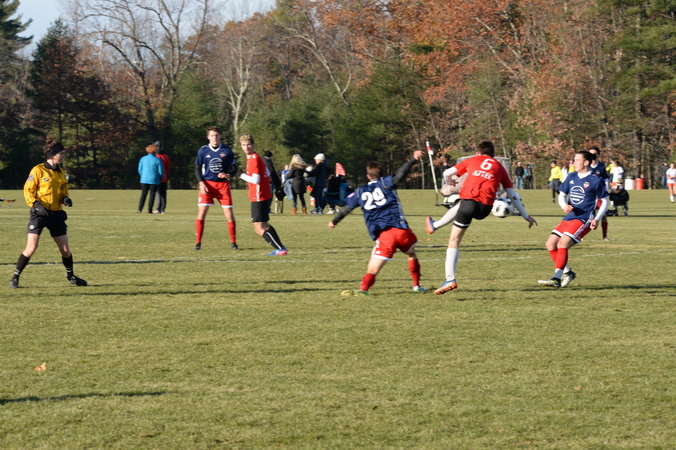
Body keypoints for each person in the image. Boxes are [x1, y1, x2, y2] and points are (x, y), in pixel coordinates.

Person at [431, 141, 537, 295]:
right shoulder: (499, 166)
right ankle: (435, 225)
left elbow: (447, 173)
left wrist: (450, 182)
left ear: (478, 153)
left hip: (469, 203)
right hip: (485, 208)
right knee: (460, 205)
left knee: (454, 240)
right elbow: (512, 194)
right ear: (493, 154)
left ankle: (450, 279)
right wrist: (526, 216)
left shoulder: (473, 160)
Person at [328, 150, 426, 295]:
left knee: (373, 269)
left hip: (384, 234)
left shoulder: (360, 191)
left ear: (368, 176)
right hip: (401, 230)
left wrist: (334, 220)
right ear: (383, 174)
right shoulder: (386, 183)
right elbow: (400, 174)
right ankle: (416, 285)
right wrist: (413, 159)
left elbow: (347, 208)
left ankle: (364, 289)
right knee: (411, 254)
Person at [9, 138, 87, 288]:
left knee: (65, 250)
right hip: (39, 214)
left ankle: (71, 276)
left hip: (56, 215)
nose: (63, 156)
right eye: (61, 153)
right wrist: (36, 204)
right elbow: (28, 190)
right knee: (31, 247)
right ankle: (15, 278)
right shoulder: (38, 170)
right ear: (53, 154)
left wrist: (65, 199)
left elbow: (63, 191)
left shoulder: (62, 172)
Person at [538, 150, 608, 288]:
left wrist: (597, 218)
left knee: (562, 244)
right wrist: (565, 206)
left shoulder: (596, 180)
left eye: (576, 160)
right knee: (550, 244)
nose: (573, 163)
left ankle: (556, 279)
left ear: (586, 162)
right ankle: (568, 273)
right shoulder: (571, 176)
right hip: (570, 217)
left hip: (584, 218)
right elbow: (561, 195)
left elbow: (605, 201)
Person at [238, 134, 288, 255]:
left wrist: (240, 175)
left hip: (259, 196)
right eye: (244, 145)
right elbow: (267, 172)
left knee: (258, 228)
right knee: (264, 224)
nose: (246, 147)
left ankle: (280, 248)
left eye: (249, 144)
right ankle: (280, 247)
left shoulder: (253, 159)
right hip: (264, 194)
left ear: (253, 145)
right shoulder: (255, 157)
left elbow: (256, 180)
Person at [194, 127, 239, 250]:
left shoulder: (226, 150)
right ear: (208, 137)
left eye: (216, 135)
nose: (214, 137)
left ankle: (233, 243)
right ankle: (198, 243)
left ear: (220, 136)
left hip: (222, 186)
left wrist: (228, 174)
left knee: (229, 214)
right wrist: (201, 183)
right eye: (212, 135)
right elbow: (197, 168)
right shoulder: (203, 150)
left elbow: (234, 168)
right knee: (202, 213)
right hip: (207, 185)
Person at [588, 146, 611, 240]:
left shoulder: (601, 166)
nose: (592, 156)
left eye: (594, 154)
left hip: (599, 194)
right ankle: (580, 235)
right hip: (589, 195)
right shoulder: (586, 165)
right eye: (590, 154)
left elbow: (605, 179)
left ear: (598, 155)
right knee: (586, 215)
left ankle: (605, 236)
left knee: (603, 214)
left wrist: (606, 189)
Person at [137, 142, 163, 214]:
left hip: (144, 179)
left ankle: (139, 209)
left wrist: (142, 176)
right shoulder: (157, 160)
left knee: (143, 194)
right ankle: (150, 210)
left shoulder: (143, 159)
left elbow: (140, 169)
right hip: (154, 179)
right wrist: (160, 178)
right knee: (152, 195)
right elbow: (160, 171)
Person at [154, 142, 170, 213]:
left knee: (158, 193)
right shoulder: (166, 156)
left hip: (157, 177)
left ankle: (158, 208)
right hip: (164, 177)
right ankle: (162, 209)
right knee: (163, 193)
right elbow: (168, 168)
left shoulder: (155, 156)